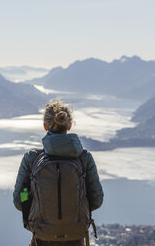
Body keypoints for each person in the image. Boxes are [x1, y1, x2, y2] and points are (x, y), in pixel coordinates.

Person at [13, 99, 104, 246]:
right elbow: (97, 200)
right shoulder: (84, 158)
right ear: (68, 126)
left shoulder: (32, 158)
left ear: (45, 126)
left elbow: (19, 201)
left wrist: (35, 203)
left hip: (42, 236)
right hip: (76, 235)